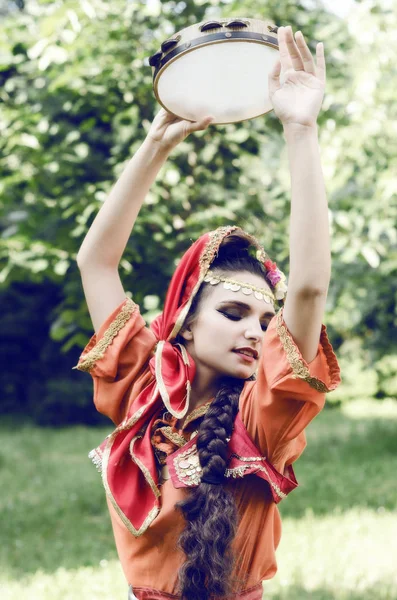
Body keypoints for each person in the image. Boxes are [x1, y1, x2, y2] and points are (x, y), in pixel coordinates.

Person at [75, 25, 340, 600]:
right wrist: (156, 144)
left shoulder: (260, 418)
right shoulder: (143, 392)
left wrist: (300, 129)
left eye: (266, 322)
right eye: (234, 312)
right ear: (187, 323)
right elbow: (96, 264)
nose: (256, 332)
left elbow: (310, 288)